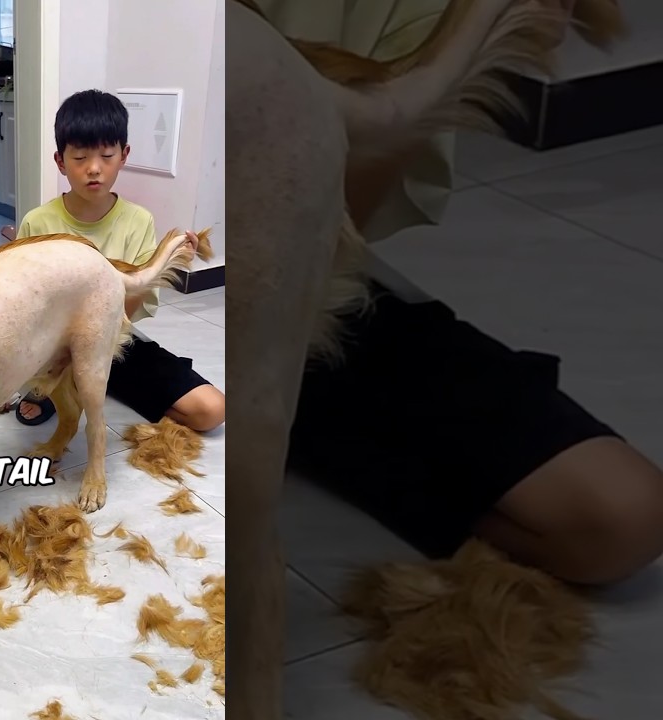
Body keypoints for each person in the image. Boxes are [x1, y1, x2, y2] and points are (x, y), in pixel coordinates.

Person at [257, 0, 663, 586]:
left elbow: (333, 231)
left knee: (623, 519)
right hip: (154, 282)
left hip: (301, 287)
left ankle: (289, 433)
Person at [6, 89, 225, 433]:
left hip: (114, 340)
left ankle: (99, 381)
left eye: (107, 156)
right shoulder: (38, 222)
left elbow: (127, 309)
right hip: (53, 350)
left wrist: (169, 260)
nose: (94, 169)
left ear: (124, 155)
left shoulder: (138, 222)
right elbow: (25, 309)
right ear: (60, 161)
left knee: (211, 411)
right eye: (80, 158)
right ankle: (73, 383)